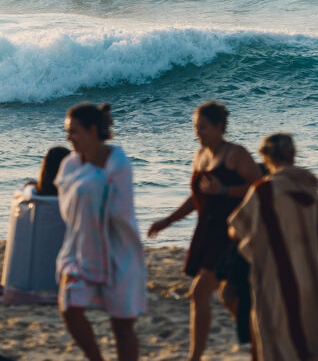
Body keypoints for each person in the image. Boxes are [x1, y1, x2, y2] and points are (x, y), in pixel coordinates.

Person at [147, 101, 261, 361]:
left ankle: (195, 357)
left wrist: (224, 191)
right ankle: (260, 345)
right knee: (229, 297)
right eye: (196, 127)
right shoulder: (200, 156)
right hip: (207, 233)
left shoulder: (236, 154)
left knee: (201, 292)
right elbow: (194, 199)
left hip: (231, 234)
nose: (198, 133)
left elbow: (259, 188)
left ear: (220, 127)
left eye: (203, 127)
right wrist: (167, 221)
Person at [228, 134, 318, 361]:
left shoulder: (264, 190)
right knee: (310, 331)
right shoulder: (310, 187)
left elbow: (237, 228)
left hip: (278, 274)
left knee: (278, 332)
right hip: (311, 271)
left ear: (267, 157)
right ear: (293, 155)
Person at [56, 103, 146, 361]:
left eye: (73, 131)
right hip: (80, 250)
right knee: (70, 307)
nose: (68, 138)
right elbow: (67, 208)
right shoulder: (70, 165)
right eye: (67, 131)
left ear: (92, 130)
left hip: (118, 250)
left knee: (122, 326)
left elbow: (118, 209)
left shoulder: (118, 163)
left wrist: (91, 183)